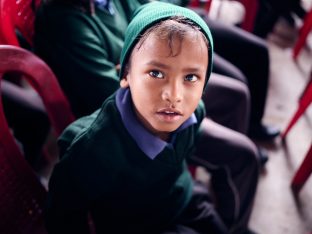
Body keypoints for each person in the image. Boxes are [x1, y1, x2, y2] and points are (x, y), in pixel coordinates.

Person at [44, 2, 259, 233]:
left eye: (191, 77)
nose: (174, 96)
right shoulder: (90, 149)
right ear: (125, 75)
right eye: (156, 73)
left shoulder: (194, 114)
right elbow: (63, 217)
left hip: (183, 198)